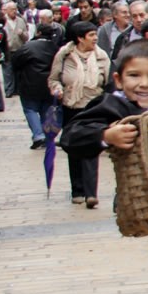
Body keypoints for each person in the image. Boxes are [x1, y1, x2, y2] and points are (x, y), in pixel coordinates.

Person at [48, 20, 112, 208]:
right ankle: (78, 190)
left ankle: (91, 193)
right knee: (74, 148)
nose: (95, 38)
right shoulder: (64, 55)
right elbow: (53, 79)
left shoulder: (102, 57)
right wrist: (58, 89)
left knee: (92, 147)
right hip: (71, 107)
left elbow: (108, 83)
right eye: (91, 35)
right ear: (80, 38)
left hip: (93, 108)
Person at [11, 23, 60, 148]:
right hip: (49, 85)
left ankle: (38, 135)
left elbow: (15, 62)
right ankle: (44, 135)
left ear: (38, 33)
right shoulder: (56, 48)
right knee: (45, 110)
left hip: (29, 83)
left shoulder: (28, 47)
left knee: (30, 109)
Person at [2, 0, 27, 98]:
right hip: (7, 50)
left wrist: (22, 34)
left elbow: (26, 37)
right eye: (12, 9)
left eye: (15, 9)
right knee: (8, 71)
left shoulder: (21, 21)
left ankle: (18, 89)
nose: (14, 11)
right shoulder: (3, 21)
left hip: (19, 49)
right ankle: (9, 90)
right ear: (7, 10)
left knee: (18, 71)